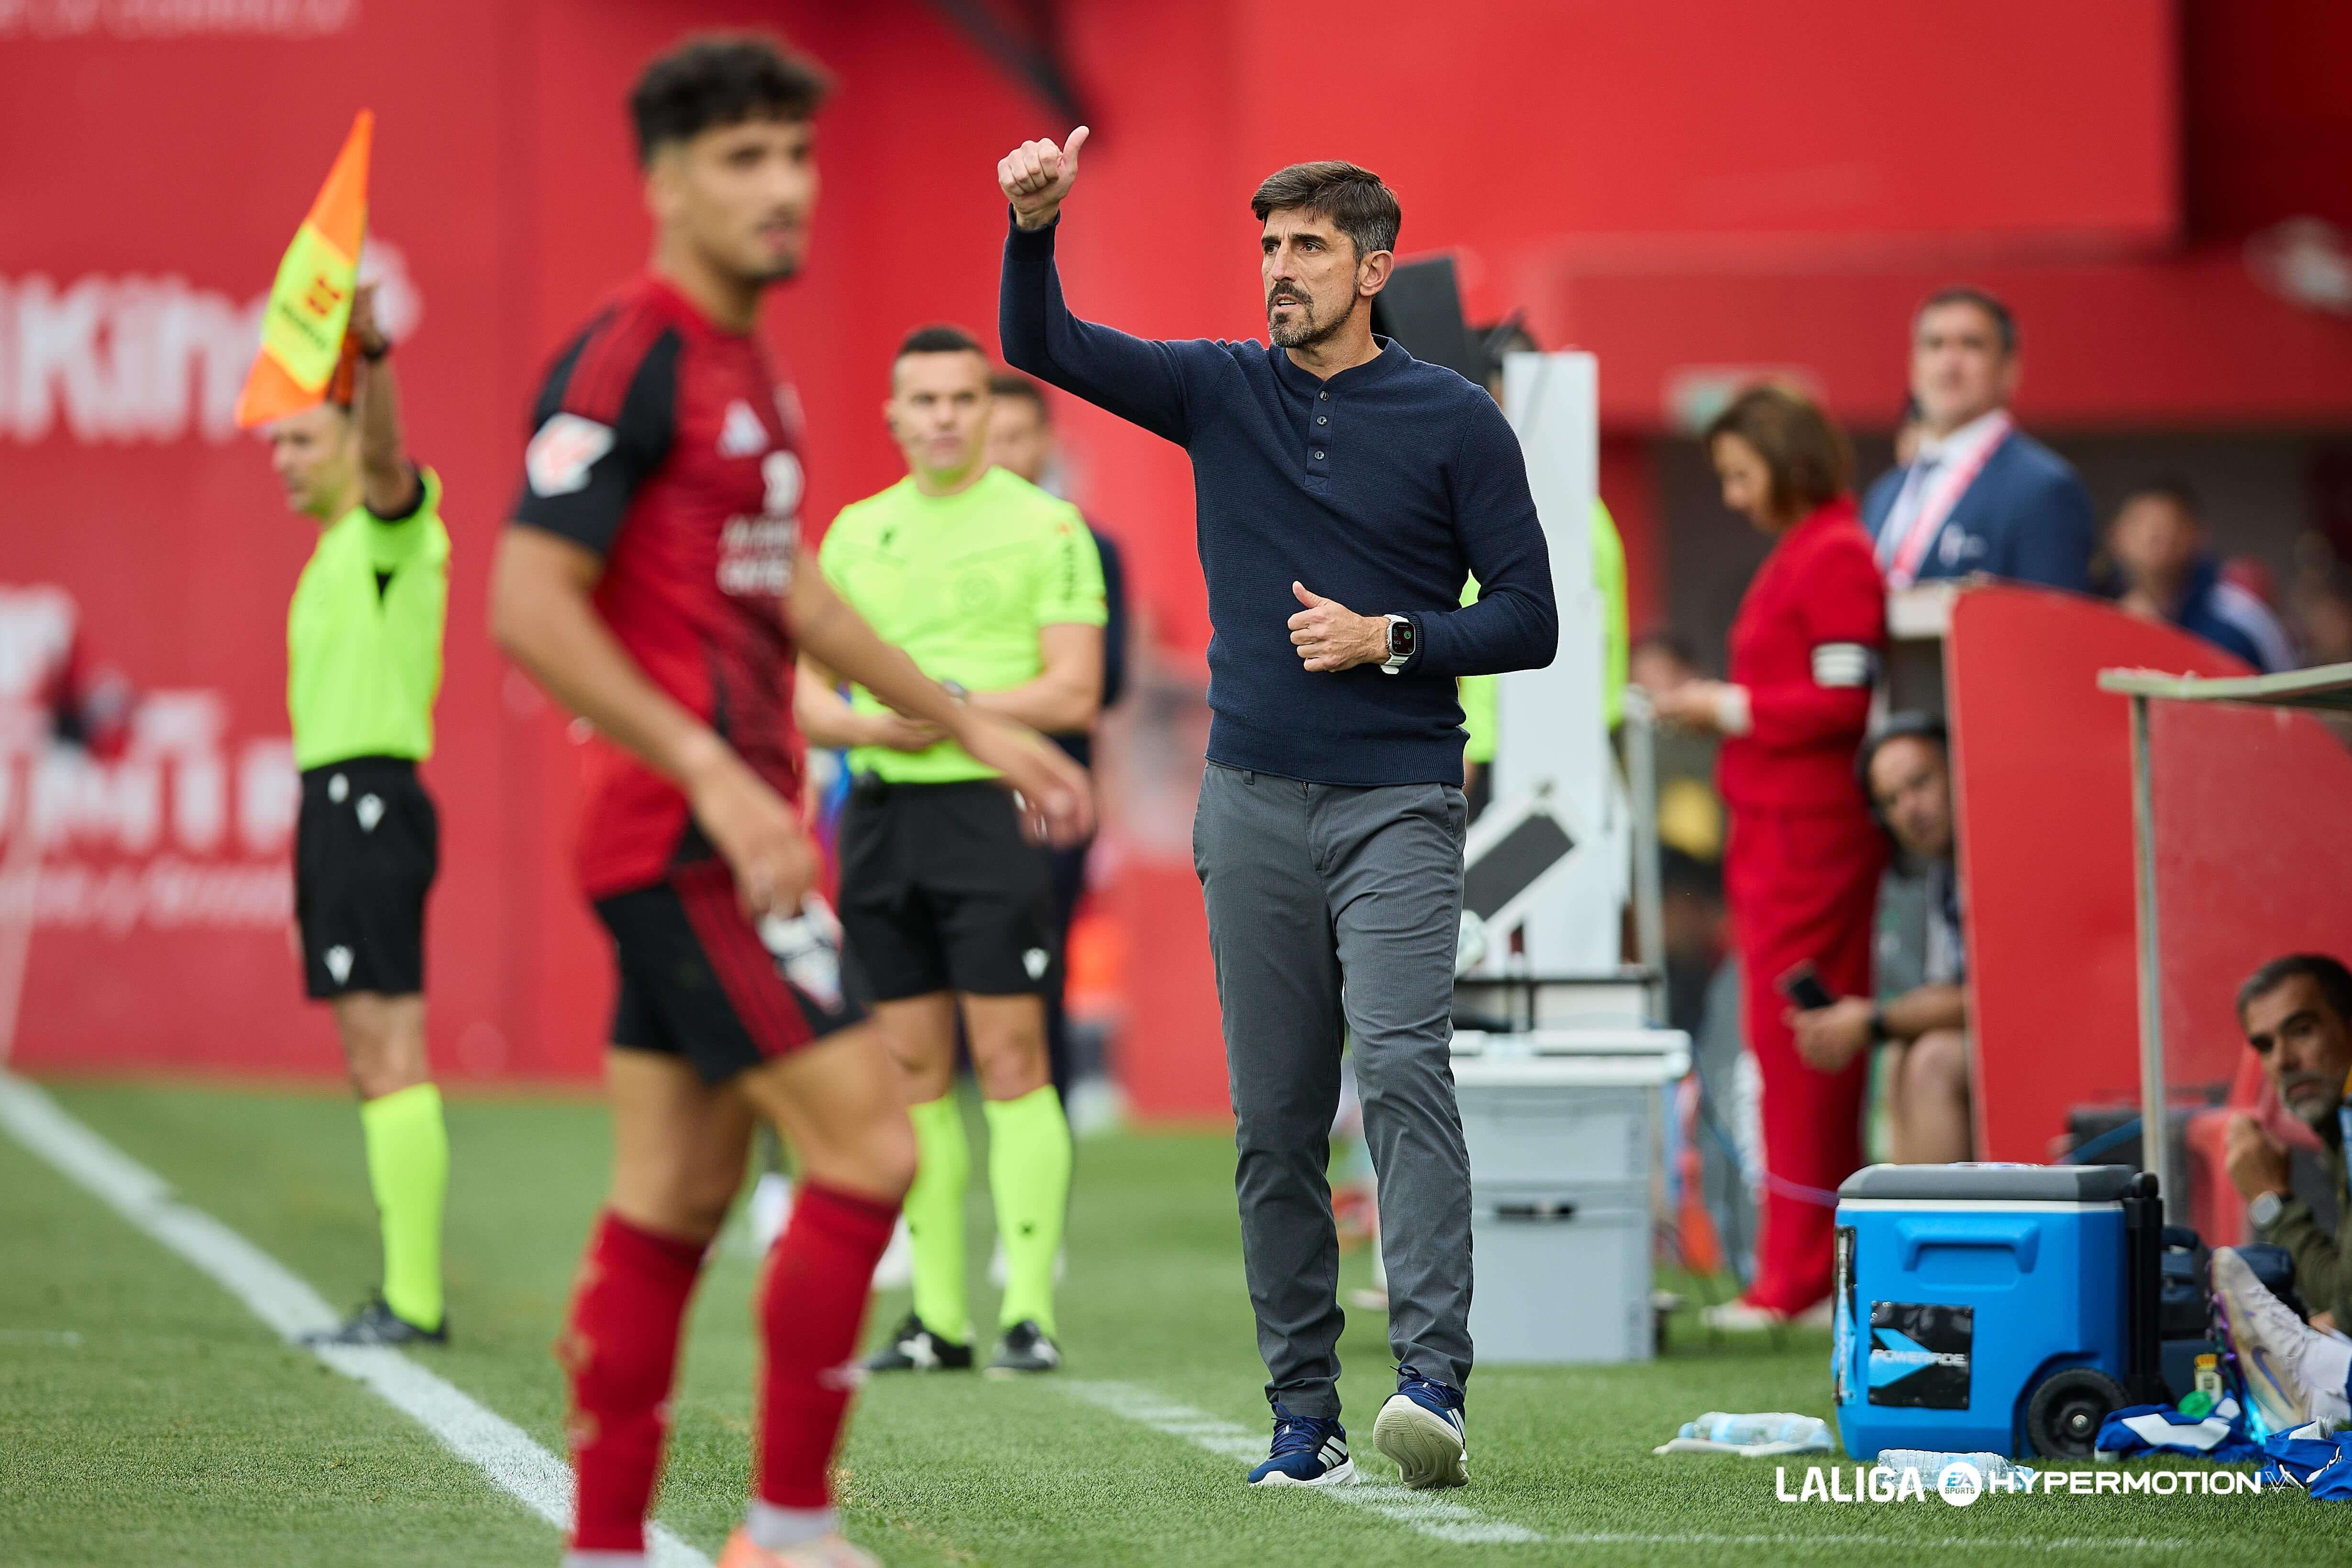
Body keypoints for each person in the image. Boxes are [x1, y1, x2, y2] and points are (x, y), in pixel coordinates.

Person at [490, 38, 1089, 1568]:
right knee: (874, 1151)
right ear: (666, 182)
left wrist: (970, 724)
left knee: (674, 1196)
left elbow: (790, 594)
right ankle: (789, 1529)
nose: (782, 188)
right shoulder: (632, 352)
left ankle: (608, 1546)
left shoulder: (749, 360)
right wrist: (709, 772)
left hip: (718, 823)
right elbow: (527, 601)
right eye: (745, 159)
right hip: (691, 838)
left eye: (797, 157)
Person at [997, 134, 1557, 1491]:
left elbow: (1530, 619)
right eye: (1267, 248)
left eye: (1307, 248)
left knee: (1405, 1074)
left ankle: (1432, 1383)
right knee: (1273, 1123)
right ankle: (1297, 1412)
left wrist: (1393, 639)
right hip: (1247, 801)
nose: (1279, 272)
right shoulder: (1216, 389)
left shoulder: (1455, 421)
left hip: (1400, 803)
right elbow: (1044, 342)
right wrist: (1033, 226)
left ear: (1372, 269)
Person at [797, 326, 1104, 1378]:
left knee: (1013, 1059)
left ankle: (1026, 1308)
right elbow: (799, 695)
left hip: (993, 809)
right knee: (911, 1069)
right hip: (881, 816)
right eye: (920, 399)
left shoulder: (1045, 527)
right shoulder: (852, 535)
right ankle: (935, 1317)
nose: (940, 416)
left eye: (960, 399)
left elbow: (1073, 686)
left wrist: (953, 708)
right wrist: (879, 728)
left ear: (988, 412)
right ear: (892, 417)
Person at [1651, 383, 1886, 1330]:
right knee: (1781, 1054)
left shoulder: (1835, 555)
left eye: (1741, 475)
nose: (1734, 497)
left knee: (1801, 1055)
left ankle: (1794, 1277)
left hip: (1809, 837)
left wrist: (1726, 707)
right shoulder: (1809, 551)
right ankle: (1792, 1269)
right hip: (1775, 831)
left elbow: (1843, 703)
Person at [261, 282, 453, 1348]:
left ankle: (415, 1299)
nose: (284, 459)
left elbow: (389, 469)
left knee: (390, 1049)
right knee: (369, 1054)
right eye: (277, 444)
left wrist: (373, 365)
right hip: (338, 803)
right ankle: (406, 1290)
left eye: (301, 439)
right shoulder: (334, 553)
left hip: (372, 797)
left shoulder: (388, 532)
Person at [984, 369, 1129, 1108]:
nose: (1004, 453)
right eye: (991, 438)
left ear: (1048, 443)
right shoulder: (946, 549)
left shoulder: (1089, 548)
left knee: (1044, 975)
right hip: (954, 787)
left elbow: (1100, 687)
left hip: (1052, 792)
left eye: (1017, 436)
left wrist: (966, 700)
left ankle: (1049, 1141)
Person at [1457, 322, 1626, 811]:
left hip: (1523, 753)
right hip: (1527, 745)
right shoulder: (1566, 503)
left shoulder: (1545, 508)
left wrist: (1467, 744)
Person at [1788, 715, 1972, 1164]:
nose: (1910, 809)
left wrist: (1871, 1021)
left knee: (1932, 1059)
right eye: (1891, 800)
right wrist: (1851, 1026)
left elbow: (1989, 1001)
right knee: (1898, 1059)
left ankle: (1944, 1231)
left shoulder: (1991, 853)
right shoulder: (1942, 876)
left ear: (1959, 767)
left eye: (1920, 782)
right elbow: (1951, 990)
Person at [1861, 287, 2096, 592]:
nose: (1949, 364)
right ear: (1913, 366)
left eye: (1971, 345)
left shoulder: (2044, 488)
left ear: (2010, 369)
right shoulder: (1885, 493)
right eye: (1935, 345)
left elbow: (2051, 629)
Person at [2211, 954, 2352, 1435]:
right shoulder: (2340, 1123)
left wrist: (2271, 1198)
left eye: (2302, 1030)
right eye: (2265, 1044)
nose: (2283, 1061)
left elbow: (2346, 1305)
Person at [2108, 480, 2295, 672]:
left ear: (2198, 535)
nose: (2155, 535)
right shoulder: (2097, 613)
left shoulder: (2241, 617)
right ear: (2114, 536)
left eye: (2170, 523)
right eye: (2141, 522)